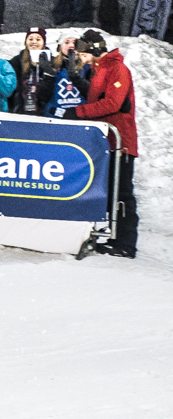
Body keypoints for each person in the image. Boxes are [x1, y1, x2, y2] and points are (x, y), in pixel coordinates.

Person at [61, 30, 138, 258]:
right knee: (109, 191)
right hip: (106, 142)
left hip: (121, 142)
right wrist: (77, 81)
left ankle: (126, 243)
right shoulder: (99, 69)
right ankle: (114, 236)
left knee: (122, 191)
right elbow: (97, 97)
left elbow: (112, 103)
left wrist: (78, 112)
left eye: (84, 55)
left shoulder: (117, 68)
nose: (82, 60)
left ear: (94, 50)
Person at [9, 26, 55, 115]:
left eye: (38, 39)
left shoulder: (52, 61)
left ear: (44, 43)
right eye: (30, 39)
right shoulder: (16, 61)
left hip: (46, 112)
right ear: (25, 42)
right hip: (21, 111)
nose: (34, 42)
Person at [45, 33, 91, 117]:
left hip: (80, 116)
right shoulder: (51, 65)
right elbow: (44, 96)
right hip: (55, 116)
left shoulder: (87, 67)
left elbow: (91, 94)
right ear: (60, 46)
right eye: (67, 42)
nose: (71, 46)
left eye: (74, 42)